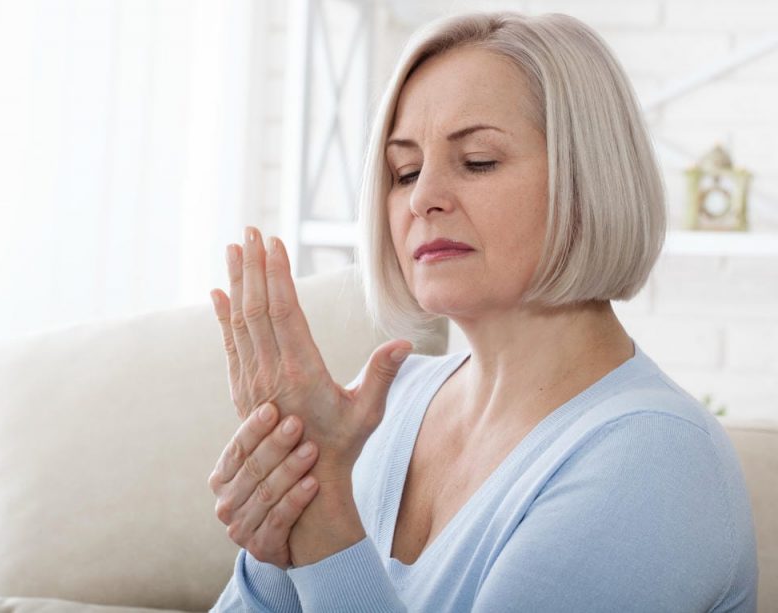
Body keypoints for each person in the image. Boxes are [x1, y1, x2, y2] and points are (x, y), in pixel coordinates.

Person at [205, 11, 757, 612]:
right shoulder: (382, 410)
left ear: (587, 178)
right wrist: (282, 526)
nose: (422, 198)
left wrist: (320, 523)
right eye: (404, 171)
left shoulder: (654, 461)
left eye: (478, 161)